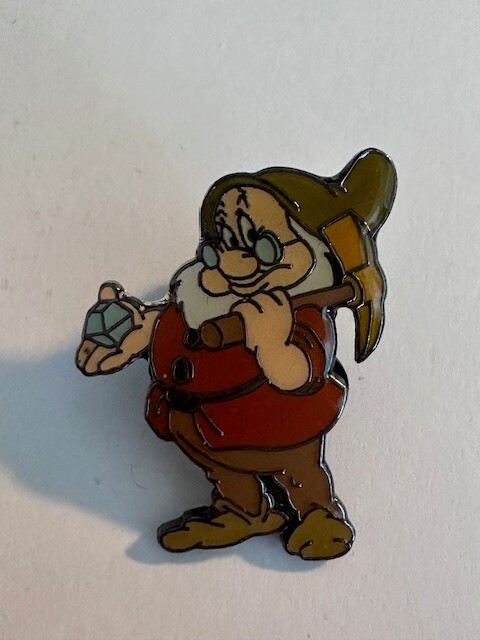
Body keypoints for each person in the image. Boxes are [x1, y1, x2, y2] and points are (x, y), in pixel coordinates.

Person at [76, 149, 396, 560]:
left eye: (263, 246)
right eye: (221, 242)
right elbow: (174, 323)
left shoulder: (299, 316)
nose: (231, 260)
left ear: (317, 252)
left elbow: (299, 373)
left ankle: (318, 515)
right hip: (208, 425)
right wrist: (139, 336)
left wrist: (272, 345)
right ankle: (243, 511)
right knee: (223, 469)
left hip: (278, 429)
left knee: (300, 473)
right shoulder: (200, 296)